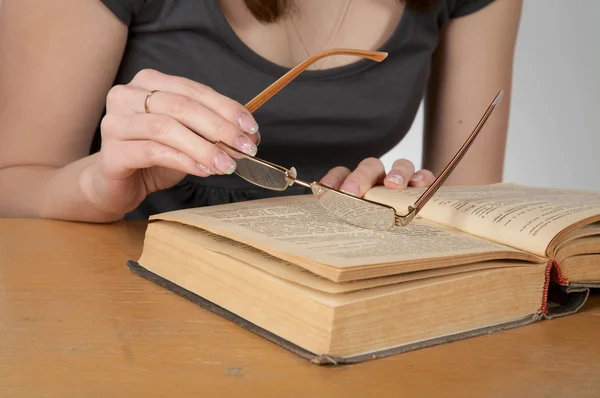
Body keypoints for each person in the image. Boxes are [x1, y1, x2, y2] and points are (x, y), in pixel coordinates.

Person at [0, 0, 522, 222]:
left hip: (321, 298)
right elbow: (12, 183)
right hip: (111, 297)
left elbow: (472, 203)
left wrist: (397, 207)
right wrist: (96, 186)